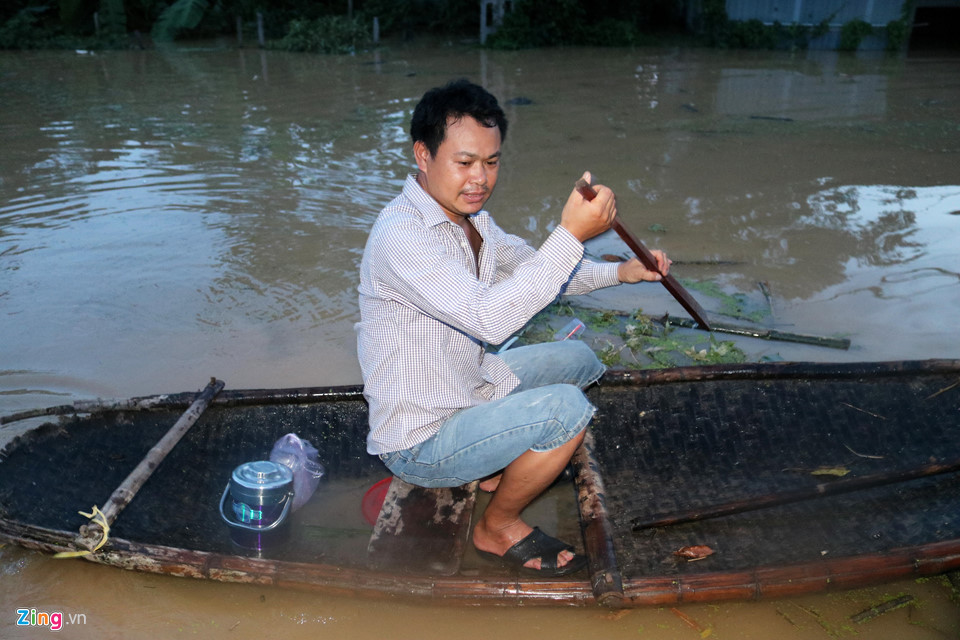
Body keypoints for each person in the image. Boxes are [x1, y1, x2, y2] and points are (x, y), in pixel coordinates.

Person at [356, 79, 670, 576]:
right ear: (423, 154)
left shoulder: (473, 221)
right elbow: (491, 316)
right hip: (421, 437)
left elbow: (536, 270)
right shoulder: (402, 237)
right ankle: (497, 525)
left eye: (492, 161)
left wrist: (622, 272)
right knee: (568, 410)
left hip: (470, 387)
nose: (480, 178)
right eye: (464, 163)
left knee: (581, 360)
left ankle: (496, 469)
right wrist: (570, 232)